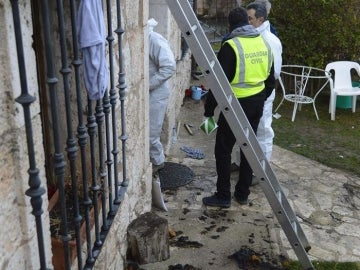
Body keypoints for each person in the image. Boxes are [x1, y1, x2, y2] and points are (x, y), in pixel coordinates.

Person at [202, 7, 275, 208]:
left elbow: (218, 84)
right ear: (248, 22)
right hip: (257, 103)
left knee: (223, 150)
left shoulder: (231, 46)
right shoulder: (264, 42)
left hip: (235, 105)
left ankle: (223, 196)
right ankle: (242, 194)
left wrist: (209, 112)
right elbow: (271, 79)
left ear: (230, 25)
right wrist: (260, 98)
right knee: (248, 149)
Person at [247, 2, 282, 161]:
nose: (248, 23)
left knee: (263, 131)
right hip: (248, 92)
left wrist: (263, 93)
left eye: (250, 19)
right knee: (245, 129)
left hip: (264, 93)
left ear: (260, 19)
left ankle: (262, 168)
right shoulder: (250, 36)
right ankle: (242, 162)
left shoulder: (271, 40)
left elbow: (274, 73)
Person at [148, 18, 176, 173]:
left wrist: (148, 85)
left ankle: (157, 163)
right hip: (150, 92)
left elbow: (169, 67)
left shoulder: (154, 39)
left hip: (156, 93)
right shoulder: (146, 39)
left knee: (151, 133)